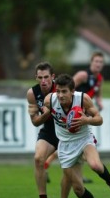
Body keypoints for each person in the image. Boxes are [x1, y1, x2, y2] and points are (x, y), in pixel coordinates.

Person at [43, 73, 110, 198]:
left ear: (72, 91)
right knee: (78, 189)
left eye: (64, 91)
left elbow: (99, 119)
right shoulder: (50, 100)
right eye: (58, 91)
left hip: (84, 139)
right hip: (65, 145)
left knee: (96, 166)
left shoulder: (82, 99)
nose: (60, 95)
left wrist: (86, 120)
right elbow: (42, 114)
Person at [44, 51, 105, 183]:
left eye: (101, 62)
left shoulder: (99, 79)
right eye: (96, 61)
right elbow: (68, 87)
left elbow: (98, 94)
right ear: (91, 63)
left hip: (83, 114)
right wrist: (70, 108)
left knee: (80, 145)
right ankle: (46, 165)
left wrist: (99, 102)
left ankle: (78, 176)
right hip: (70, 113)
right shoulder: (83, 75)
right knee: (71, 144)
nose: (98, 64)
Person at [27, 62, 71, 198]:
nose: (43, 81)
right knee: (38, 158)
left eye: (46, 77)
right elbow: (35, 122)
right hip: (49, 131)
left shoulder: (61, 89)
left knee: (68, 170)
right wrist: (47, 113)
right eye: (40, 78)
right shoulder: (32, 93)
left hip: (67, 132)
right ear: (36, 78)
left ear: (53, 77)